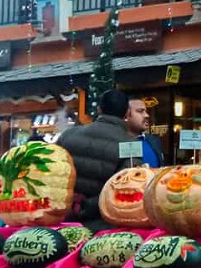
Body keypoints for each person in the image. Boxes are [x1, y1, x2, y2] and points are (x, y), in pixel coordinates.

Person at [56, 89, 133, 225]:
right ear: (127, 113)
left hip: (63, 217)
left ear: (99, 109)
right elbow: (126, 188)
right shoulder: (130, 145)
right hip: (102, 224)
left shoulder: (68, 135)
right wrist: (88, 205)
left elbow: (53, 173)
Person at [125, 98, 165, 168]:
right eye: (140, 111)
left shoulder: (154, 141)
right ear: (126, 116)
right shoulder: (117, 141)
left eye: (145, 111)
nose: (146, 115)